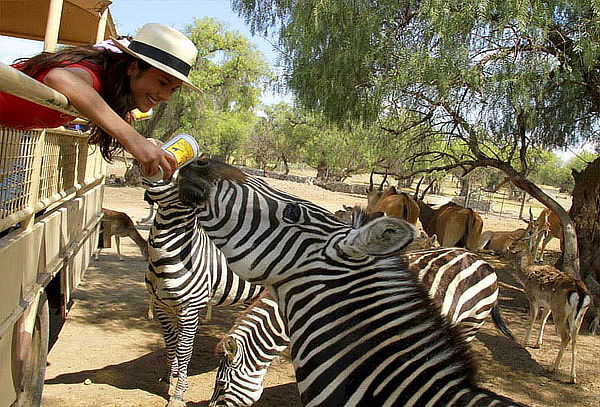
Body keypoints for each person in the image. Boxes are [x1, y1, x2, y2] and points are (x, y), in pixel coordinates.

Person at [0, 23, 201, 180]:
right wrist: (133, 139)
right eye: (162, 82)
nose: (165, 96)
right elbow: (59, 78)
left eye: (172, 90)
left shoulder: (108, 91)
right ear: (133, 68)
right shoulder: (93, 74)